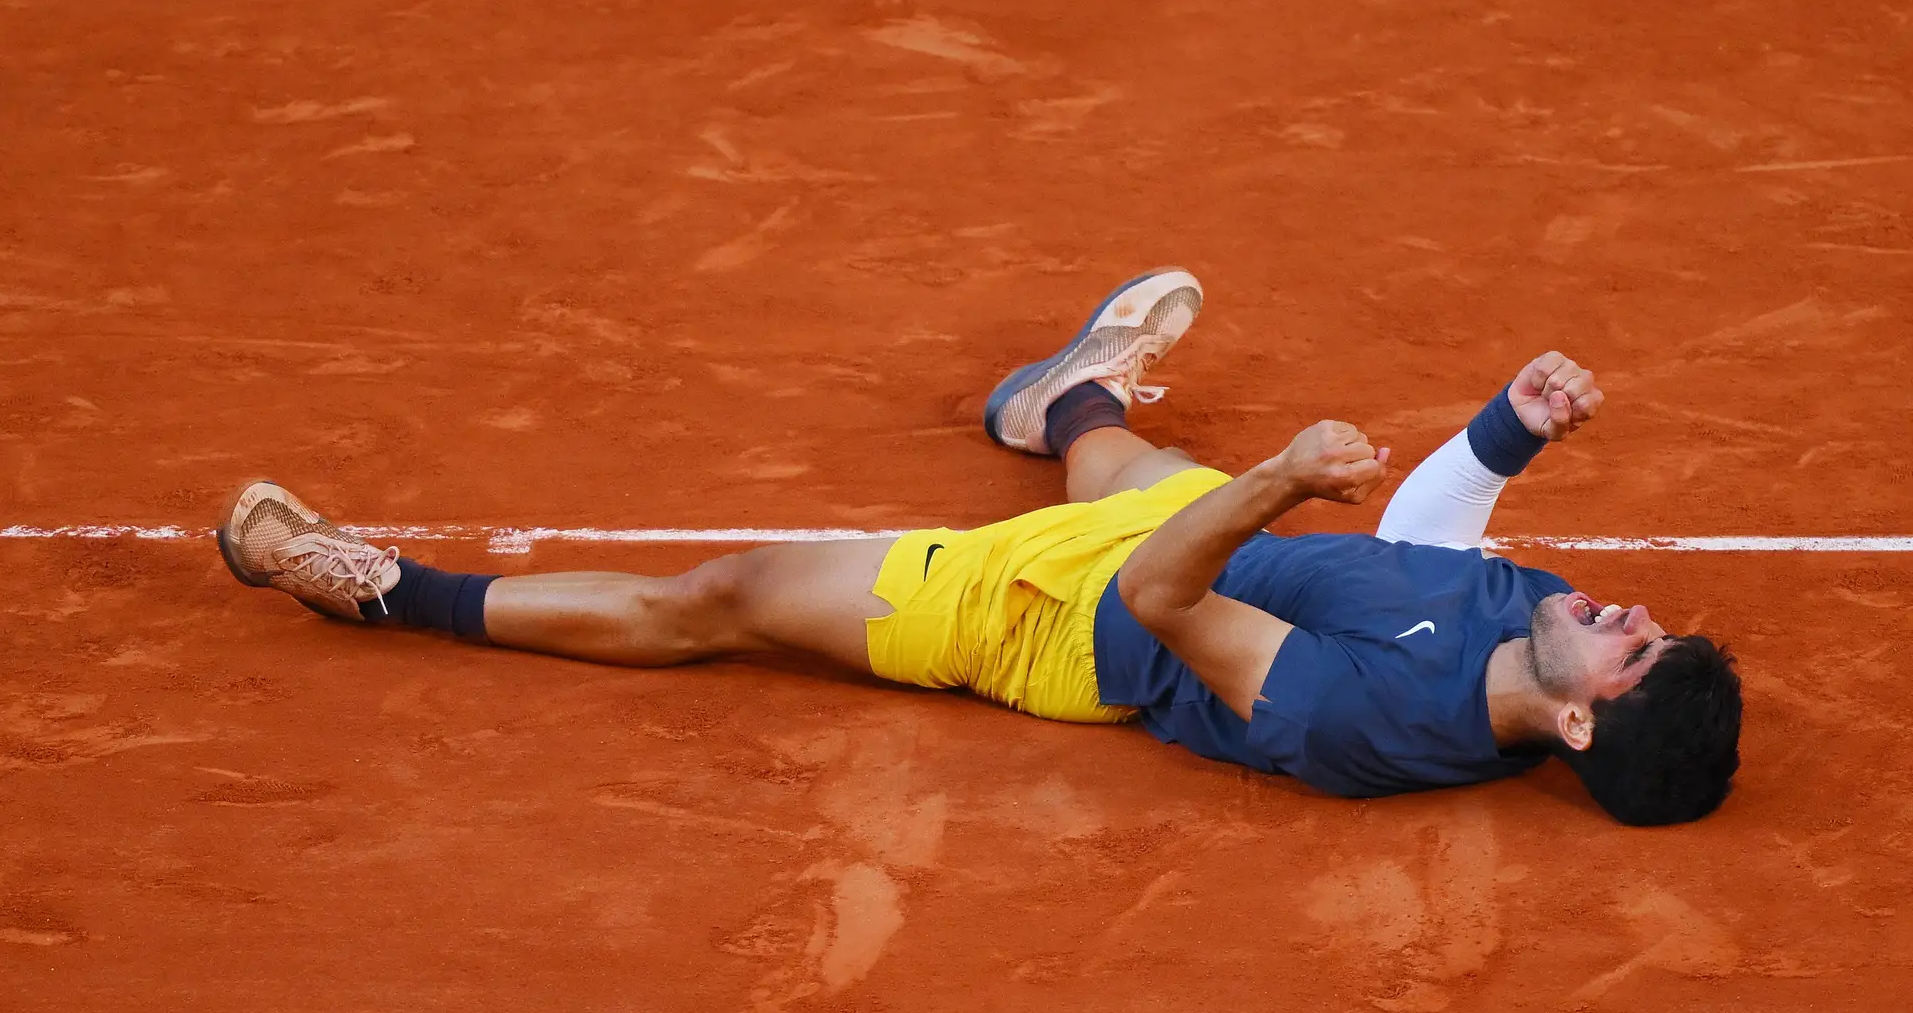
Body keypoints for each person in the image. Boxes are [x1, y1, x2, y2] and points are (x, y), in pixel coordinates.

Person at [217, 269, 1742, 825]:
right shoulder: (1531, 620)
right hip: (1184, 528)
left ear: (1584, 716)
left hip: (1058, 624)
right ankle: (1060, 394)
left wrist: (1277, 475)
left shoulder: (1357, 725)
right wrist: (1508, 429)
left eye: (1636, 643)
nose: (1627, 609)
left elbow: (1158, 591)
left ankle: (384, 592)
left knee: (728, 599)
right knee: (1121, 458)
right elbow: (1424, 554)